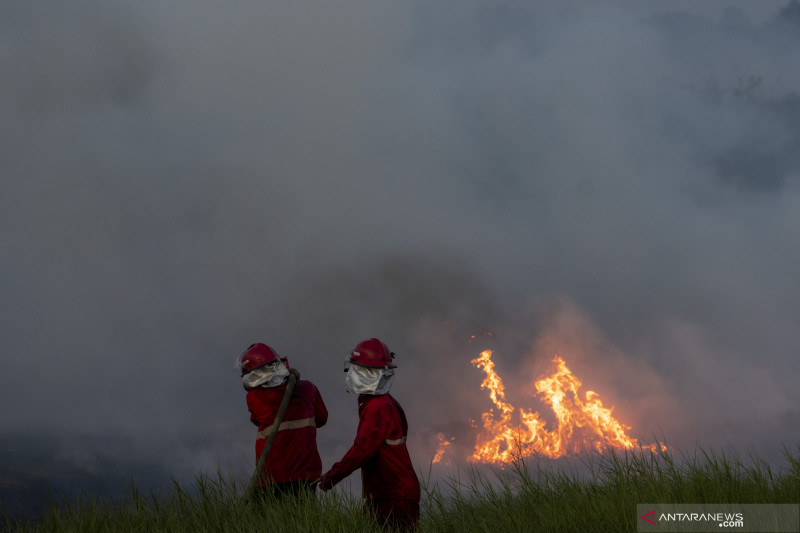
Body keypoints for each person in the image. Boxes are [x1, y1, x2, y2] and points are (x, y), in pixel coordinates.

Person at [315, 338, 421, 530]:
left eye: (355, 369)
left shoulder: (378, 407)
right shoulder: (384, 402)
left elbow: (362, 449)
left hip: (393, 495)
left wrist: (332, 476)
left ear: (365, 374)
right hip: (386, 493)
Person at [239, 342, 328, 499]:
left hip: (269, 475)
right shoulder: (308, 388)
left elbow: (257, 420)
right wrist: (293, 381)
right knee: (304, 520)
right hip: (305, 473)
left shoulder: (253, 398)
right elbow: (322, 418)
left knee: (265, 521)